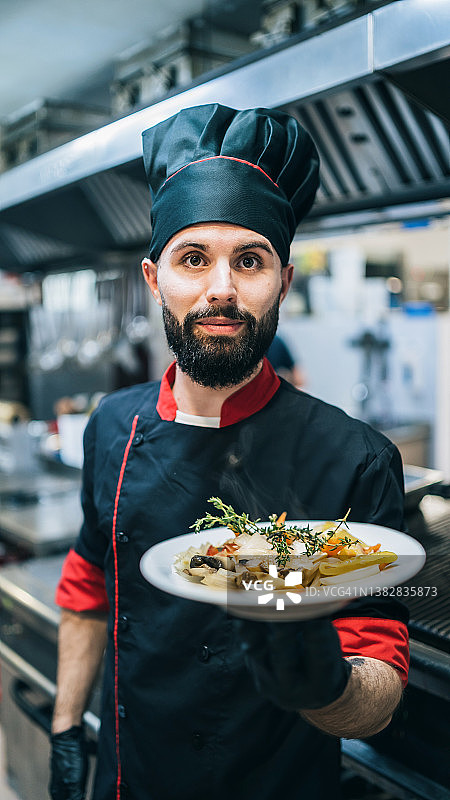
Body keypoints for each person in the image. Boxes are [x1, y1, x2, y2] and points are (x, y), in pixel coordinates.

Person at [49, 104, 409, 800]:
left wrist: (326, 682)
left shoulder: (354, 458)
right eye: (193, 259)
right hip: (129, 781)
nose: (221, 288)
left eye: (249, 260)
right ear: (156, 280)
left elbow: (382, 688)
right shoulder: (111, 426)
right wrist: (68, 734)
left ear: (283, 282)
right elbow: (87, 586)